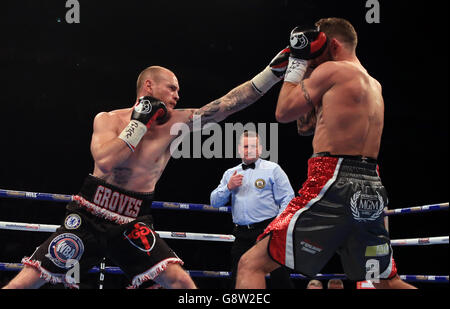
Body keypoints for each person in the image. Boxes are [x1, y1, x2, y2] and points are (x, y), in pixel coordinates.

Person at [2, 47, 291, 289]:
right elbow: (106, 161)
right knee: (30, 279)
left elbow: (229, 104)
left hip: (134, 221)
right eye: (172, 87)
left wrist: (272, 73)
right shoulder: (108, 119)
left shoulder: (178, 123)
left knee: (182, 282)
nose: (178, 95)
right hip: (90, 215)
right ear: (149, 86)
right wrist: (139, 123)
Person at [235, 18, 416, 289]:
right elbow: (305, 127)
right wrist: (309, 68)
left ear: (332, 44)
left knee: (251, 264)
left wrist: (297, 62)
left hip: (332, 181)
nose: (314, 58)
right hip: (372, 187)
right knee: (384, 281)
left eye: (317, 50)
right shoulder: (373, 84)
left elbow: (283, 112)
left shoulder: (332, 70)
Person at [210, 131, 295, 288]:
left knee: (280, 277)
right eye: (245, 146)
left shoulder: (272, 169)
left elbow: (287, 198)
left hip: (267, 231)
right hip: (242, 234)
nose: (249, 149)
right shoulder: (230, 173)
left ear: (260, 149)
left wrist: (278, 225)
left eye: (253, 146)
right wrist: (229, 187)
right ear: (239, 149)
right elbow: (214, 201)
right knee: (238, 276)